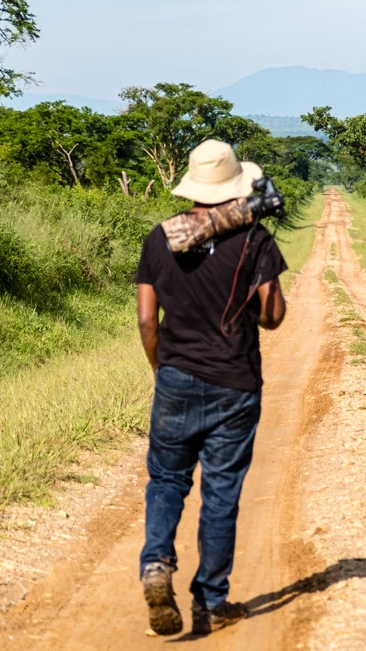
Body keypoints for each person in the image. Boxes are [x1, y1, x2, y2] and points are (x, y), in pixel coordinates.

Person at [133, 139, 288, 636]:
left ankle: (156, 563)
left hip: (176, 377)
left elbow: (145, 319)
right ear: (238, 188)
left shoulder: (160, 238)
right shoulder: (256, 238)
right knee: (221, 492)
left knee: (167, 480)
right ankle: (211, 601)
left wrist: (164, 369)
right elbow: (273, 316)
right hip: (235, 383)